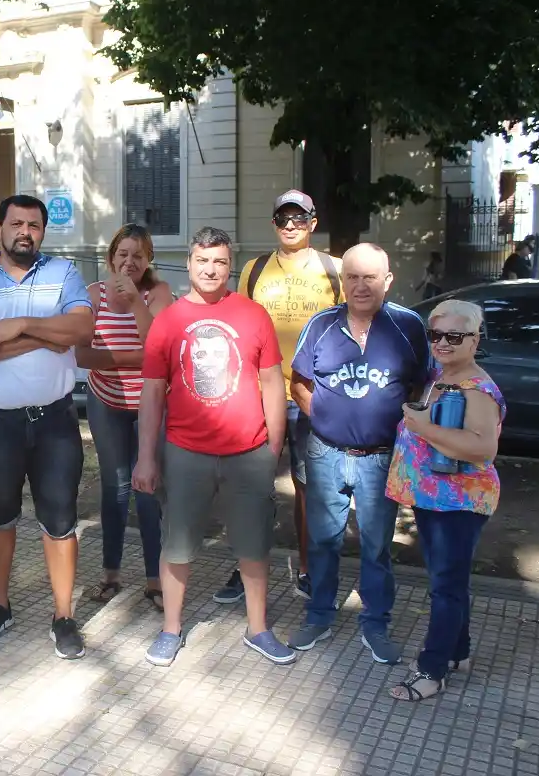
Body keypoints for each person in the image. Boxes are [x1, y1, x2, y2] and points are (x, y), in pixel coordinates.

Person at [133, 226, 295, 667]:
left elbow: (271, 384)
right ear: (189, 263)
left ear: (230, 265)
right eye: (203, 261)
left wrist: (272, 448)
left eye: (220, 261)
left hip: (249, 453)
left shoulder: (253, 314)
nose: (210, 269)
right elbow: (151, 392)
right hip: (185, 453)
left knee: (254, 544)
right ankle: (171, 629)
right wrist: (146, 457)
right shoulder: (169, 320)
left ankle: (259, 629)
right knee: (177, 544)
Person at [0, 194, 95, 659]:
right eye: (17, 224)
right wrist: (45, 337)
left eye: (34, 225)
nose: (25, 233)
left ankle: (63, 615)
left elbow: (80, 331)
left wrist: (17, 326)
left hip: (54, 422)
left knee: (60, 520)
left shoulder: (64, 273)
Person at [287, 243, 431, 665]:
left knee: (376, 544)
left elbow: (421, 383)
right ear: (342, 282)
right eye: (352, 276)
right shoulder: (321, 325)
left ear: (387, 280)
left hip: (381, 456)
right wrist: (328, 418)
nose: (360, 285)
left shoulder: (407, 326)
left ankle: (376, 622)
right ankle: (319, 615)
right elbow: (299, 383)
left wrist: (398, 422)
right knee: (324, 540)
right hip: (326, 452)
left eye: (370, 277)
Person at [215, 190, 343, 606]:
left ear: (313, 222)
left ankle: (308, 571)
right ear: (274, 224)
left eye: (299, 218)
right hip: (260, 395)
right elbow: (239, 330)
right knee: (252, 485)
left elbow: (348, 330)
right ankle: (246, 567)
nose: (290, 225)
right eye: (283, 218)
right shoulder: (254, 270)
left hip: (313, 396)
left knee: (311, 487)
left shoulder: (335, 270)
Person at [385, 299, 505, 701]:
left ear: (475, 339)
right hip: (435, 498)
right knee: (449, 580)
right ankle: (458, 652)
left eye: (455, 336)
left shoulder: (478, 389)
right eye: (436, 335)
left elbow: (482, 448)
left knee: (445, 587)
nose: (442, 343)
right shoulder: (442, 375)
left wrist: (423, 427)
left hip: (458, 503)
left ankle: (430, 670)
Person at [76, 223, 173, 609]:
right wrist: (140, 359)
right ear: (110, 257)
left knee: (148, 489)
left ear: (148, 259)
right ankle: (110, 575)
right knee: (114, 488)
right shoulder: (92, 295)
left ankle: (155, 580)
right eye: (122, 254)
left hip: (151, 405)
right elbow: (83, 356)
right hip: (106, 401)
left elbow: (159, 350)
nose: (129, 261)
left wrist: (135, 303)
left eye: (138, 254)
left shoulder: (159, 293)